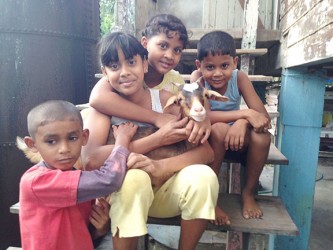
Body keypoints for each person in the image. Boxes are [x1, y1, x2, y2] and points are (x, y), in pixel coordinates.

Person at [81, 32, 219, 250]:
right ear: (105, 73)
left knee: (204, 177)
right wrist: (156, 139)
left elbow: (206, 153)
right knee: (134, 178)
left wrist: (160, 166)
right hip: (124, 196)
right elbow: (91, 160)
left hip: (166, 194)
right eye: (115, 66)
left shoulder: (166, 101)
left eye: (132, 62)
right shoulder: (103, 111)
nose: (125, 72)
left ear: (145, 64)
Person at [19, 100, 137, 250]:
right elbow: (109, 179)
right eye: (51, 141)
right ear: (32, 144)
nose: (64, 149)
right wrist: (122, 141)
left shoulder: (78, 178)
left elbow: (79, 234)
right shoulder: (37, 181)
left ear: (84, 137)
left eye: (72, 138)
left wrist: (100, 229)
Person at [89, 14, 210, 145]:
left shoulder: (176, 82)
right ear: (145, 43)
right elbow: (97, 98)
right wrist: (156, 118)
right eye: (163, 46)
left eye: (177, 50)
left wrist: (203, 119)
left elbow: (190, 108)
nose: (169, 55)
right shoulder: (126, 76)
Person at [190, 31, 272, 224]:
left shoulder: (239, 78)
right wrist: (244, 114)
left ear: (235, 62)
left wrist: (243, 122)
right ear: (198, 66)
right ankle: (211, 197)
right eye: (210, 67)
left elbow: (263, 118)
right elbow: (204, 116)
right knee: (219, 129)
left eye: (224, 66)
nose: (217, 73)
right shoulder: (198, 80)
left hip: (237, 139)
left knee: (263, 137)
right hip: (210, 141)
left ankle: (248, 193)